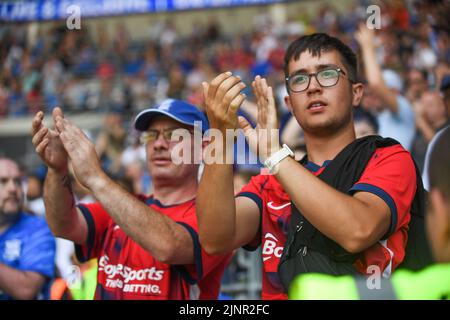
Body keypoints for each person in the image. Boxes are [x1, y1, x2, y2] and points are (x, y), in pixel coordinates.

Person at [197, 32, 417, 299]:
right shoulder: (269, 184)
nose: (313, 87)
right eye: (300, 79)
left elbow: (358, 230)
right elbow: (214, 239)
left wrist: (274, 154)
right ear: (289, 103)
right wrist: (220, 137)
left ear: (356, 93)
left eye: (327, 74)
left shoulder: (388, 157)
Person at [31, 100, 231, 300]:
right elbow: (63, 224)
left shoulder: (215, 219)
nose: (159, 144)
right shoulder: (118, 207)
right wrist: (58, 171)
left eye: (173, 135)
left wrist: (95, 177)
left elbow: (170, 246)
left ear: (205, 148)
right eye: (151, 135)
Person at [290, 127, 450, 300]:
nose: (313, 97)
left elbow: (358, 230)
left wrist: (274, 155)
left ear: (438, 205)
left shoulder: (416, 291)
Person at [0, 157, 56, 300]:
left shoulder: (37, 229)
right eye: (3, 181)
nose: (13, 188)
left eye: (17, 181)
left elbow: (27, 290)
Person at [355, 25, 416, 151]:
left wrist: (368, 47)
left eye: (378, 93)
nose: (375, 95)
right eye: (370, 94)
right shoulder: (377, 117)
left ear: (394, 91)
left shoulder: (403, 108)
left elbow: (376, 83)